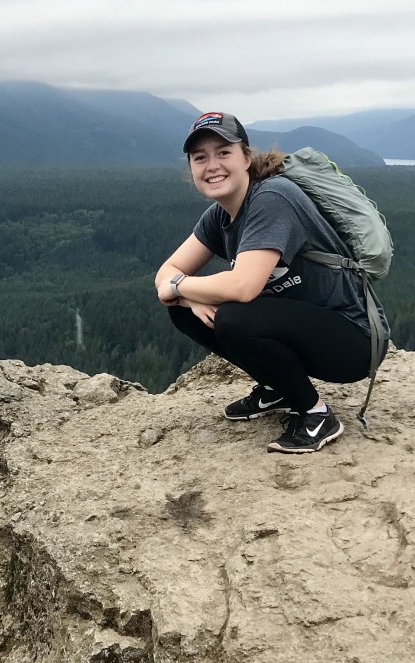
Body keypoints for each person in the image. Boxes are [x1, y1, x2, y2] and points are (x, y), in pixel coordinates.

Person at [155, 111, 389, 453]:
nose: (212, 165)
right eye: (200, 157)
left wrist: (177, 287)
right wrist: (182, 294)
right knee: (187, 311)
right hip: (306, 331)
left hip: (354, 341)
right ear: (191, 169)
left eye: (224, 153)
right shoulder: (218, 217)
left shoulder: (272, 198)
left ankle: (316, 414)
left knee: (234, 317)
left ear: (246, 158)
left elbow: (242, 287)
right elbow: (167, 270)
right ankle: (278, 386)